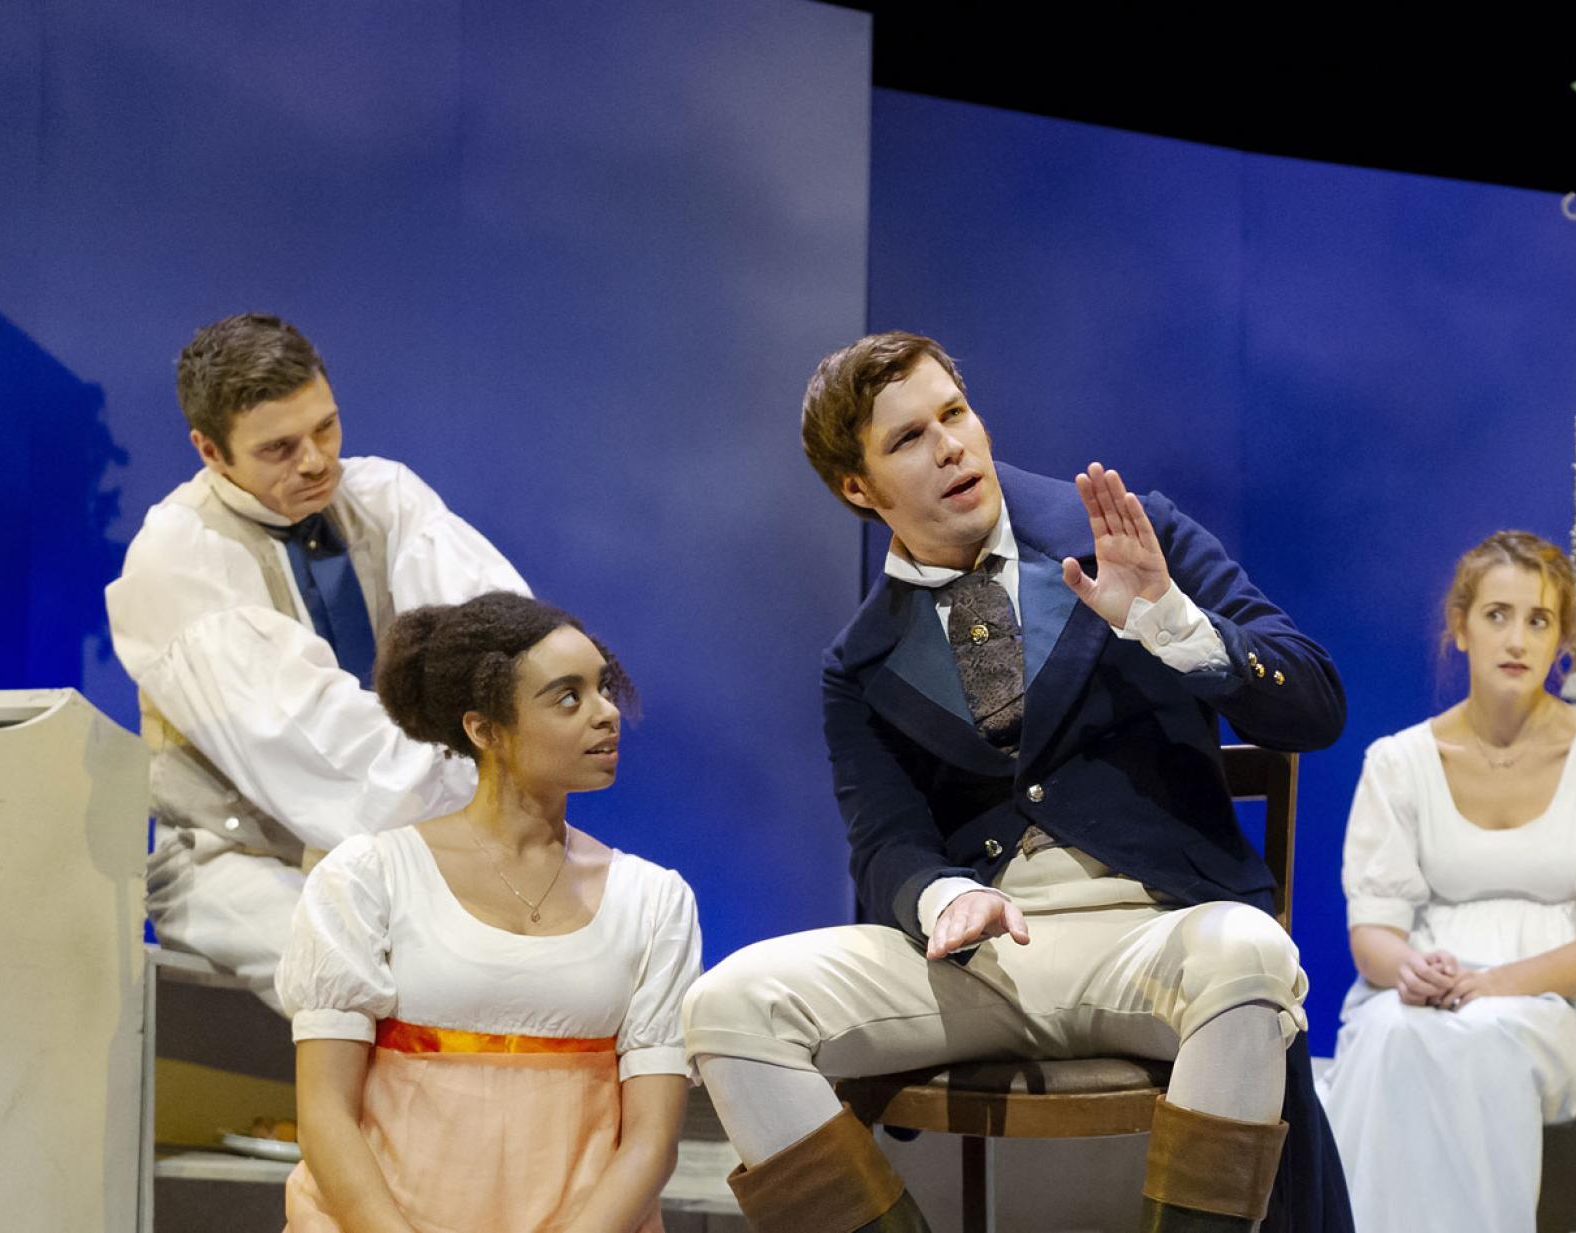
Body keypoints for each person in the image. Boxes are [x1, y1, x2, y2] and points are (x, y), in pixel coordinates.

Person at [680, 331, 1353, 1232]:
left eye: (953, 413)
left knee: (1252, 950)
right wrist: (941, 894)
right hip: (981, 966)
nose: (950, 445)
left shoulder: (1130, 531)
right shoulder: (859, 663)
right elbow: (885, 841)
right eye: (908, 438)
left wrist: (1169, 619)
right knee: (729, 1004)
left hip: (1157, 936)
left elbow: (1313, 703)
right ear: (858, 487)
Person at [104, 313, 529, 1006]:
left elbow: (504, 647)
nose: (314, 460)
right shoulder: (179, 556)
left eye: (325, 428)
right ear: (211, 450)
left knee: (555, 959)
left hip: (412, 839)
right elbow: (316, 748)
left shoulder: (383, 497)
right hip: (239, 864)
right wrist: (482, 761)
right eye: (278, 447)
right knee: (378, 980)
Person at [277, 592, 700, 1233]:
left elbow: (650, 1141)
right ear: (484, 730)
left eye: (603, 688)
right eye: (569, 697)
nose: (607, 714)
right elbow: (325, 1113)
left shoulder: (654, 899)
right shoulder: (368, 879)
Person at [1320, 530, 1576, 1232]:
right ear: (1460, 626)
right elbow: (1373, 935)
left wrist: (1490, 983)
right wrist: (1412, 970)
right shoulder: (1400, 762)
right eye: (1497, 615)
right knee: (1386, 1035)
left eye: (1539, 620)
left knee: (1478, 1038)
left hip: (1565, 1009)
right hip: (1427, 994)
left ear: (1561, 637)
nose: (1517, 639)